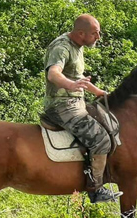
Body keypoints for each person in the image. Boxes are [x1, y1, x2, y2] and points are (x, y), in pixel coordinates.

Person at [43, 14, 123, 203]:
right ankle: (95, 189)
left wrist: (96, 91)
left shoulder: (77, 46)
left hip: (77, 102)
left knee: (109, 124)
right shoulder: (61, 47)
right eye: (95, 33)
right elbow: (53, 74)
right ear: (81, 33)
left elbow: (77, 77)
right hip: (62, 105)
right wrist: (69, 85)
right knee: (101, 138)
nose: (98, 37)